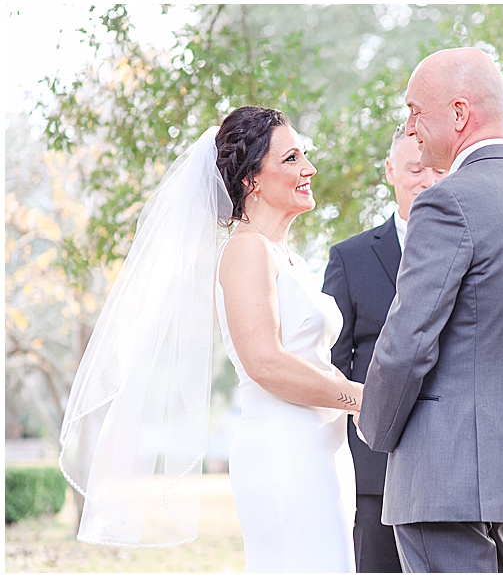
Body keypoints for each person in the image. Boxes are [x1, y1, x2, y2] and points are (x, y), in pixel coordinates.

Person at [59, 106, 363, 573]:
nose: (309, 169)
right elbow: (264, 362)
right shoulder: (245, 250)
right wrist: (360, 398)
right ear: (251, 180)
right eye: (291, 159)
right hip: (284, 453)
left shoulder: (288, 258)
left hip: (322, 451)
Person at [356, 48, 503, 573]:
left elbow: (406, 343)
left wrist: (372, 428)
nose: (411, 128)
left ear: (460, 115)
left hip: (444, 475)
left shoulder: (447, 203)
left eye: (416, 111)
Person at [323, 125, 447, 573]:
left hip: (451, 465)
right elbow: (332, 365)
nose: (427, 180)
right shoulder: (349, 258)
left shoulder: (471, 250)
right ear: (391, 171)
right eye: (415, 169)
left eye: (437, 169)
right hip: (374, 470)